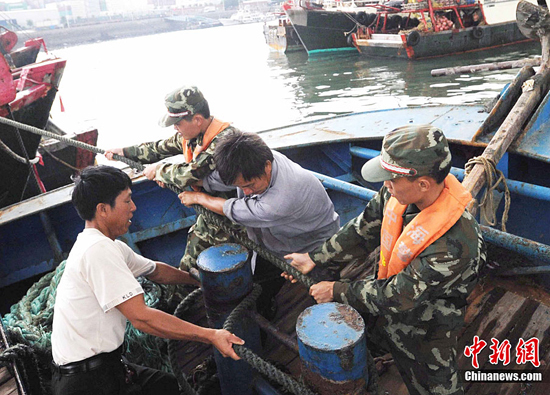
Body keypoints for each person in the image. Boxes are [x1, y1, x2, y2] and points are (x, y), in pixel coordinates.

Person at [284, 125, 486, 395]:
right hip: (385, 296)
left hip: (425, 326)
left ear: (423, 184)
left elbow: (398, 296)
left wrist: (335, 290)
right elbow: (363, 228)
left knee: (435, 387)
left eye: (390, 179)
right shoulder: (396, 192)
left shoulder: (455, 244)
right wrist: (316, 259)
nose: (385, 185)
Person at [51, 165, 244, 395]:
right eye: (127, 201)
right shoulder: (97, 250)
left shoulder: (107, 244)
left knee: (173, 388)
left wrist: (199, 282)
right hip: (87, 383)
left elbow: (155, 271)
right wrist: (211, 335)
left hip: (109, 366)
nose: (133, 208)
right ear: (103, 209)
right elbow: (143, 319)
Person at [178, 130, 340, 319]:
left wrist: (199, 197)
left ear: (268, 167)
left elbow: (231, 208)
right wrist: (171, 175)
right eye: (240, 186)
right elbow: (217, 180)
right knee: (259, 293)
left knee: (326, 299)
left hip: (314, 246)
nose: (246, 192)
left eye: (250, 185)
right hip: (274, 242)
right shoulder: (253, 160)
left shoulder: (280, 200)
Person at [104, 85, 242, 271]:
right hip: (209, 216)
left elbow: (192, 172)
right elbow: (158, 148)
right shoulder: (191, 135)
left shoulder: (225, 141)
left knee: (232, 269)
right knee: (187, 268)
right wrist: (126, 152)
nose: (175, 128)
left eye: (177, 123)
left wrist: (160, 171)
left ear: (198, 119)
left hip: (235, 220)